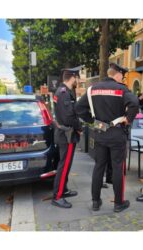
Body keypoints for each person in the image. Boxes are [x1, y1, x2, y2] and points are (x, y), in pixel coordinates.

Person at [75, 63, 139, 213]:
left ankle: (95, 202)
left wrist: (92, 121)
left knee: (99, 167)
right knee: (118, 168)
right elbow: (135, 103)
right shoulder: (121, 89)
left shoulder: (92, 89)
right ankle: (118, 203)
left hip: (100, 132)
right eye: (122, 76)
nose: (122, 79)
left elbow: (78, 108)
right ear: (117, 75)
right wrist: (128, 119)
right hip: (117, 133)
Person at [51, 67, 83, 209]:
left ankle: (63, 190)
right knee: (64, 166)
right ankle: (57, 196)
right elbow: (69, 116)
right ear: (73, 77)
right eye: (78, 78)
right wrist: (79, 128)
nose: (79, 80)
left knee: (65, 165)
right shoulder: (64, 93)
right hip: (67, 134)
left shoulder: (63, 91)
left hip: (65, 133)